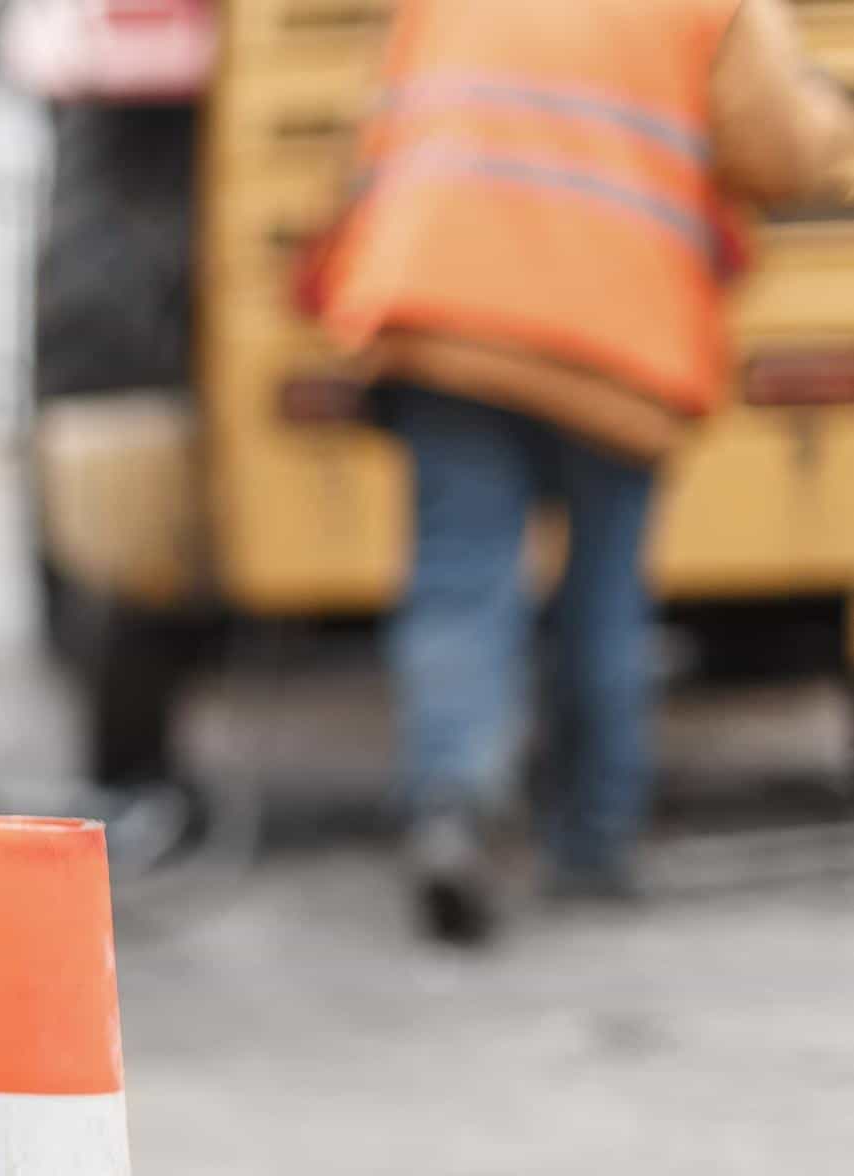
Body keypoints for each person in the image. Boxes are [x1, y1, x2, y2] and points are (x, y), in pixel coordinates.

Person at [317, 0, 854, 943]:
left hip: (446, 303)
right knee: (603, 597)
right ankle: (592, 845)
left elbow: (374, 138)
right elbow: (781, 155)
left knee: (459, 581)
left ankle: (451, 809)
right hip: (617, 328)